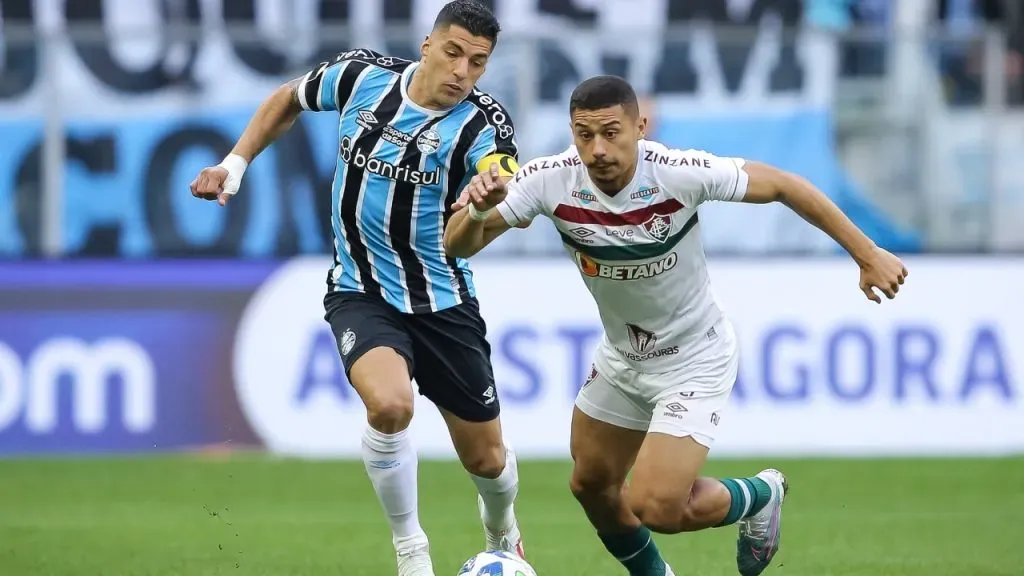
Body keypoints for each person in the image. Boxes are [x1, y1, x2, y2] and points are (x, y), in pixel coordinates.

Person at [443, 75, 908, 576]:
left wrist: (866, 253)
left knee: (657, 507)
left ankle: (760, 494)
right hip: (623, 358)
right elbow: (457, 245)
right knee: (591, 485)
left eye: (610, 132)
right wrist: (478, 210)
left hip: (695, 359)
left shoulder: (678, 172)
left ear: (640, 126)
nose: (597, 149)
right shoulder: (550, 178)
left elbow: (784, 185)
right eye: (583, 134)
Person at [189, 2, 525, 575]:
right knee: (391, 406)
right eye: (453, 53)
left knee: (488, 461)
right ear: (426, 44)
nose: (462, 72)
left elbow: (467, 239)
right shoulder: (360, 77)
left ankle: (503, 534)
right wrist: (235, 164)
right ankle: (411, 552)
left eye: (478, 62)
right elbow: (285, 101)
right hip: (359, 290)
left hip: (443, 302)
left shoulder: (483, 127)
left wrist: (484, 205)